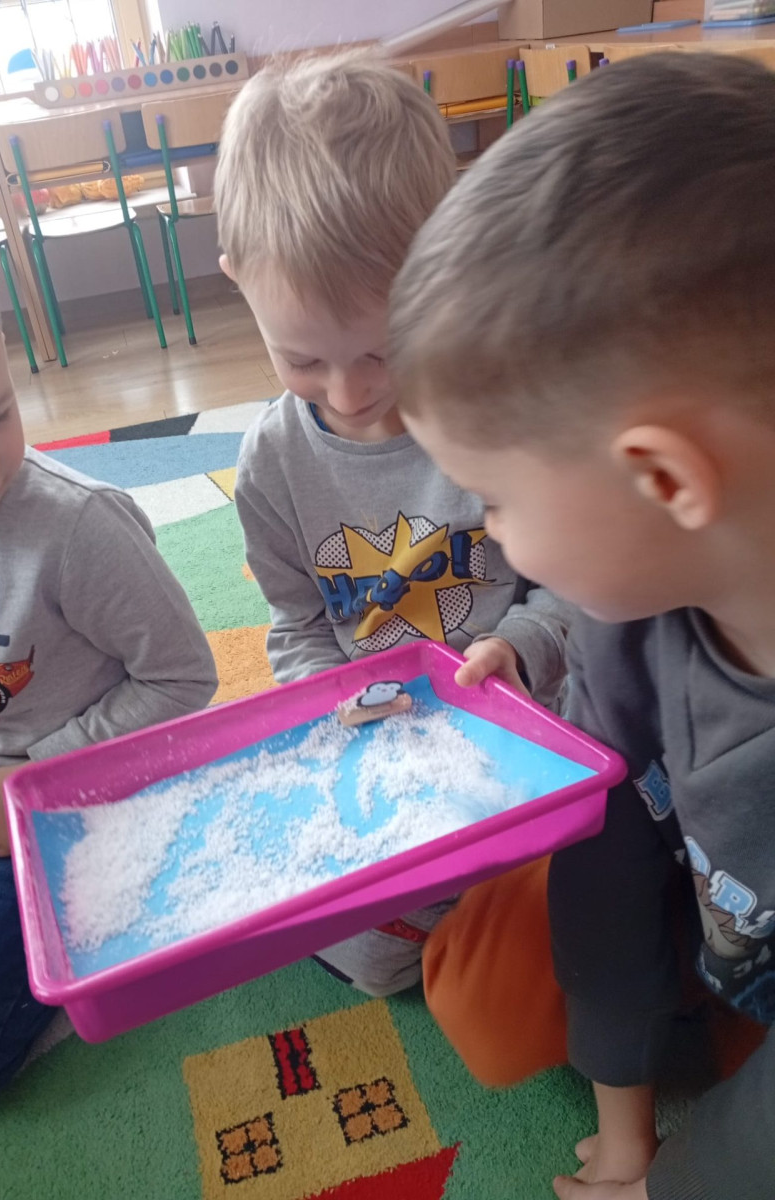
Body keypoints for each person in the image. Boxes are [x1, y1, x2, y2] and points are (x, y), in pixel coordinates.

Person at [389, 50, 775, 1200]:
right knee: (489, 997)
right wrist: (626, 1124)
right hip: (713, 913)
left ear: (660, 480)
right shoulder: (635, 602)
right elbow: (603, 847)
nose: (490, 536)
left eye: (495, 498)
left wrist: (681, 1178)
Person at [215, 53, 571, 999]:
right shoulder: (272, 463)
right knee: (365, 956)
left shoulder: (498, 416)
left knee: (563, 922)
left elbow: (576, 585)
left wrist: (520, 646)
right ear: (238, 283)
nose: (348, 393)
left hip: (517, 716)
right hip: (377, 737)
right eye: (303, 360)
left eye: (383, 351)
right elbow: (296, 623)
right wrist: (331, 700)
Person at [0, 202, 217, 1104]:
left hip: (64, 791)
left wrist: (35, 775)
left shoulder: (78, 526)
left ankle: (85, 951)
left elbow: (182, 677)